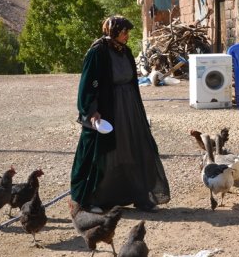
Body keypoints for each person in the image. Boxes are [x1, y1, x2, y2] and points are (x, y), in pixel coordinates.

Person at [70, 15, 170, 213]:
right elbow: (88, 84)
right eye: (124, 32)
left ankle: (140, 196)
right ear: (113, 31)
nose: (127, 36)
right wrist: (91, 110)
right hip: (108, 108)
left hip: (129, 108)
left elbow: (132, 81)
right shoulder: (98, 52)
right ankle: (93, 200)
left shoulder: (124, 51)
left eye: (127, 32)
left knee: (133, 149)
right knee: (102, 153)